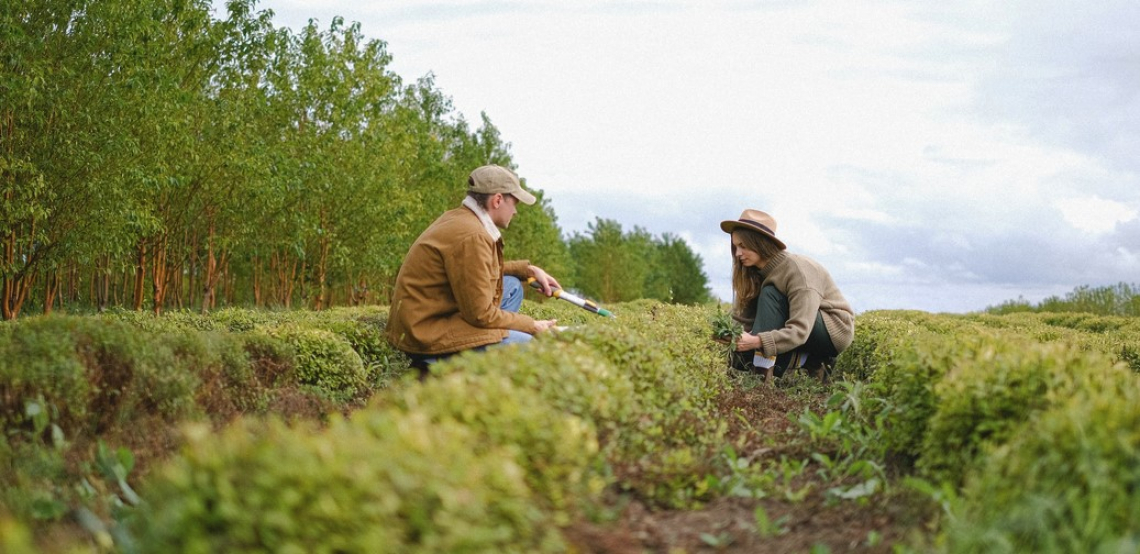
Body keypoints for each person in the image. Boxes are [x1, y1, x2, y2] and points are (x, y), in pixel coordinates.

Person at [387, 164, 560, 377]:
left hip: (431, 317)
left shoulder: (461, 219)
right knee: (528, 344)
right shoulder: (473, 236)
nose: (515, 211)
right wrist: (531, 325)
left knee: (513, 286)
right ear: (497, 200)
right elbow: (480, 314)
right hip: (424, 335)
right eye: (514, 203)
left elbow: (474, 270)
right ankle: (436, 364)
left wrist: (527, 270)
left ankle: (486, 344)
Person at [719, 209, 854, 380]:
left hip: (833, 331)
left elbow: (799, 330)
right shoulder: (754, 272)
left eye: (743, 247)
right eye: (735, 247)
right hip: (800, 328)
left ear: (760, 243)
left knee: (770, 293)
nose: (738, 254)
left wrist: (755, 342)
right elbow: (742, 321)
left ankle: (761, 376)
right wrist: (727, 336)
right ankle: (811, 361)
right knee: (739, 359)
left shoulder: (797, 270)